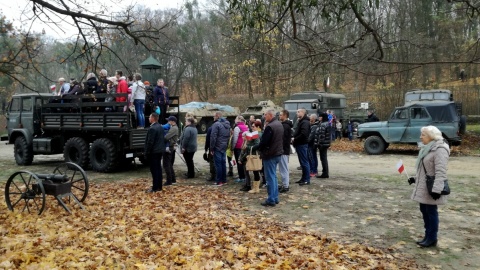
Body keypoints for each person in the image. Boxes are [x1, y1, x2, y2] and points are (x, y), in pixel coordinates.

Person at [409, 125, 450, 248]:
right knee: (425, 211)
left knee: (431, 212)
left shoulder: (440, 149)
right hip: (424, 186)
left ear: (431, 136)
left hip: (432, 188)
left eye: (423, 135)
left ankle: (432, 238)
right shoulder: (427, 148)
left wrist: (437, 190)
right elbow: (426, 170)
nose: (420, 137)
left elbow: (440, 172)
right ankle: (427, 236)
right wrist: (415, 179)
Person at [255, 109, 283, 207]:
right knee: (273, 176)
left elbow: (264, 142)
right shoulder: (279, 124)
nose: (264, 116)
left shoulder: (270, 126)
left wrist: (258, 147)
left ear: (270, 115)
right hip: (277, 153)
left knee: (270, 178)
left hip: (270, 154)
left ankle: (271, 199)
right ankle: (275, 197)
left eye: (265, 115)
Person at [144, 113, 165, 193]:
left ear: (153, 118)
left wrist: (146, 152)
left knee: (154, 170)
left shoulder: (152, 128)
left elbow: (150, 142)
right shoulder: (160, 127)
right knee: (158, 169)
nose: (149, 118)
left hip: (154, 152)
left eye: (149, 117)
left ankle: (155, 187)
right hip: (159, 151)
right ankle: (159, 186)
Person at [210, 111, 231, 186]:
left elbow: (213, 137)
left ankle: (219, 181)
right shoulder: (227, 125)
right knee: (223, 163)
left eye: (214, 116)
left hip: (217, 146)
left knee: (218, 164)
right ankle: (224, 179)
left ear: (218, 116)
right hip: (224, 146)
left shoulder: (216, 125)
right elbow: (228, 136)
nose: (213, 117)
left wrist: (211, 148)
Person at [292, 108, 310, 185]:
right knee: (302, 162)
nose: (297, 113)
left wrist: (295, 138)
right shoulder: (301, 121)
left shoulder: (305, 122)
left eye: (298, 112)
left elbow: (304, 134)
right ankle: (303, 178)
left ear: (303, 113)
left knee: (304, 162)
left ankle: (306, 179)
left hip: (302, 144)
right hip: (299, 144)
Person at [278, 110, 293, 193]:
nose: (279, 117)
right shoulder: (285, 125)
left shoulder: (285, 126)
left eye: (281, 115)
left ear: (285, 116)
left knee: (284, 168)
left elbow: (283, 139)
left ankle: (286, 185)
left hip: (283, 150)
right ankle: (284, 184)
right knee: (282, 168)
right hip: (284, 149)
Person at [231, 115, 248, 183]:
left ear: (239, 120)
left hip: (238, 147)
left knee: (239, 162)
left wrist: (232, 147)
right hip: (244, 146)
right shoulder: (246, 127)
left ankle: (241, 177)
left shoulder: (237, 128)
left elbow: (235, 138)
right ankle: (244, 176)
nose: (235, 120)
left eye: (236, 118)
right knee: (243, 162)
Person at [163, 116, 179, 186]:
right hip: (171, 147)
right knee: (169, 164)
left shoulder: (174, 129)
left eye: (169, 121)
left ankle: (169, 181)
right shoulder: (174, 128)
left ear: (172, 121)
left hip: (169, 147)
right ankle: (173, 179)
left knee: (166, 164)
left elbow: (166, 137)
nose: (168, 122)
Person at [315, 113, 331, 178]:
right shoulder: (327, 124)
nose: (319, 117)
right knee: (324, 158)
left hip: (323, 144)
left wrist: (319, 144)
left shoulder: (323, 125)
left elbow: (321, 135)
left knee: (323, 158)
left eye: (320, 116)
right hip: (326, 143)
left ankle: (325, 173)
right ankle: (325, 172)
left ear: (322, 117)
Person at [204, 116, 217, 182]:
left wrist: (206, 148)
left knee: (212, 161)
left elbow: (208, 139)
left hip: (212, 147)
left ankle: (213, 175)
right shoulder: (224, 127)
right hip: (220, 147)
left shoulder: (211, 128)